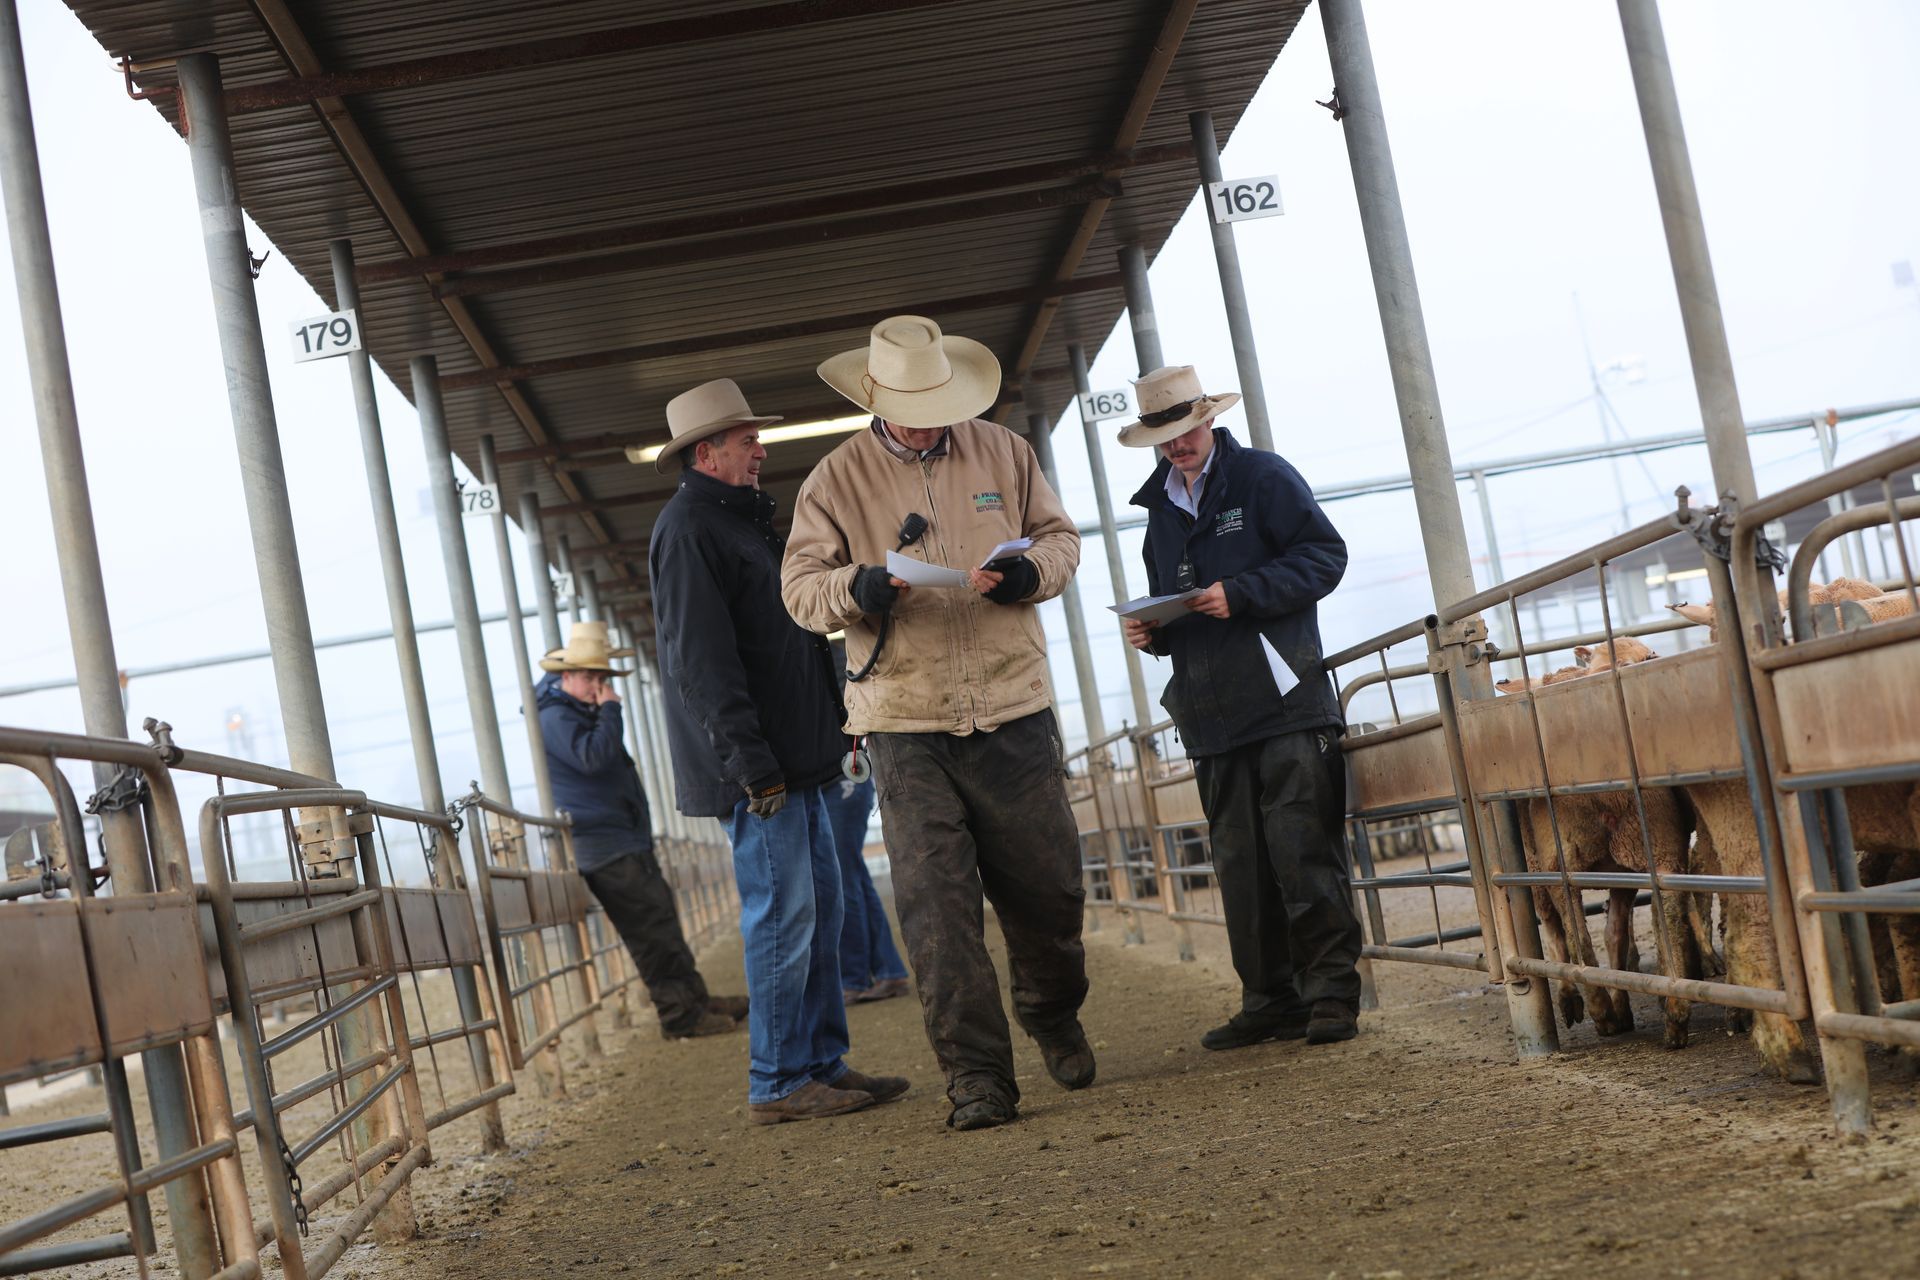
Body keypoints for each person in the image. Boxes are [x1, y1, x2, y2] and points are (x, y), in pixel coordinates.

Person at [783, 315, 1092, 1131]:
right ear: (876, 399)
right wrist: (857, 588)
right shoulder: (834, 479)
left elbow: (1060, 540)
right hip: (903, 719)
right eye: (911, 409)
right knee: (936, 911)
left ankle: (1052, 1009)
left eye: (938, 406)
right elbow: (801, 590)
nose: (927, 422)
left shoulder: (1004, 452)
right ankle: (977, 1076)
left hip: (1012, 703)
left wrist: (1029, 573)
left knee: (1051, 891)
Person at [648, 377, 908, 1125]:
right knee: (783, 915)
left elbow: (793, 638)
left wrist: (834, 720)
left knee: (820, 910)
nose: (760, 450)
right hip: (761, 770)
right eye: (747, 440)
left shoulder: (742, 523)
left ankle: (820, 1063)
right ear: (708, 453)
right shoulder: (690, 530)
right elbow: (702, 663)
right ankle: (777, 1079)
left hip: (798, 759)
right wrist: (751, 765)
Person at [1115, 365, 1364, 1049]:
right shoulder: (1161, 512)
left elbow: (1325, 556)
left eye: (1184, 431)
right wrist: (1153, 634)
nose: (1176, 447)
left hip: (1285, 702)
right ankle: (1269, 999)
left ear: (1207, 419)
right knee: (1240, 869)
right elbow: (1174, 601)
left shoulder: (1262, 477)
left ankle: (1330, 995)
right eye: (1163, 439)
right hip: (1212, 715)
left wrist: (1244, 592)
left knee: (1302, 852)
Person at [534, 621, 746, 1040]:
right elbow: (593, 759)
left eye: (602, 678)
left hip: (619, 840)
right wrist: (611, 710)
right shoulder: (556, 716)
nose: (599, 687)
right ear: (566, 676)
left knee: (660, 922)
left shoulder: (569, 712)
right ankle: (680, 1016)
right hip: (607, 846)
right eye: (591, 677)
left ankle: (695, 1001)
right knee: (650, 932)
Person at [826, 641, 911, 1006]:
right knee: (851, 873)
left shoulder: (832, 650)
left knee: (841, 875)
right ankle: (888, 970)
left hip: (844, 770)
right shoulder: (824, 649)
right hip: (839, 770)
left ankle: (855, 976)